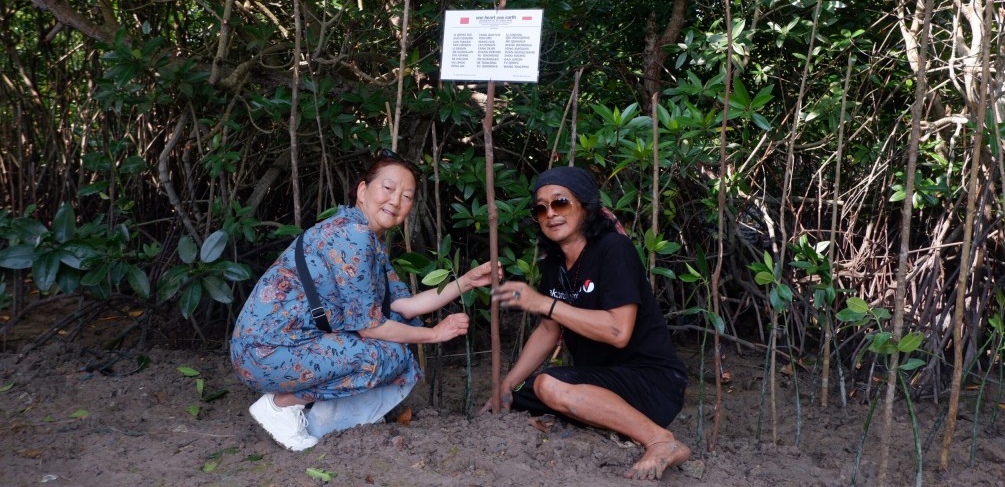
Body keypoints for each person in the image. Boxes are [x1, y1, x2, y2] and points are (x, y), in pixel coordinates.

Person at [231, 149, 497, 451]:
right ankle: (281, 405)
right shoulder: (352, 236)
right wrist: (435, 335)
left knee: (399, 330)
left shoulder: (366, 239)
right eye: (388, 188)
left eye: (407, 196)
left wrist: (466, 282)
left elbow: (404, 307)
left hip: (276, 348)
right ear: (362, 190)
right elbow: (370, 328)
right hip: (266, 353)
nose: (396, 201)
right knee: (386, 356)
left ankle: (317, 419)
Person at [484, 166, 690, 480]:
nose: (550, 213)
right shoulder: (554, 264)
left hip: (652, 381)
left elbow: (618, 331)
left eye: (561, 203)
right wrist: (506, 386)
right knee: (523, 395)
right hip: (602, 379)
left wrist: (543, 303)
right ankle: (598, 425)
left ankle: (659, 440)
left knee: (548, 385)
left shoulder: (613, 249)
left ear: (585, 206)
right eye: (541, 208)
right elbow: (549, 330)